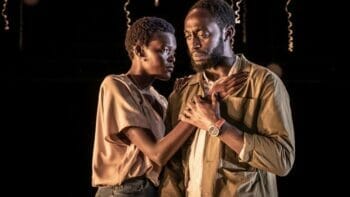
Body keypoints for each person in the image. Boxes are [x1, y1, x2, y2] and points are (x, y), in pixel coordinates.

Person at [91, 16, 247, 197]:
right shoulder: (116, 85)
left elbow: (170, 148)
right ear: (140, 50)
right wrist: (203, 103)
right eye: (164, 50)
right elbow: (157, 154)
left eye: (174, 51)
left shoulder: (161, 100)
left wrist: (180, 98)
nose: (172, 58)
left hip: (150, 189)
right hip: (121, 191)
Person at [159, 0, 295, 196]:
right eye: (188, 36)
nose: (194, 44)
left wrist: (217, 125)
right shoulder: (182, 91)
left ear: (228, 33)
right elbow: (172, 166)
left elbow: (282, 160)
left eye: (203, 34)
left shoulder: (263, 83)